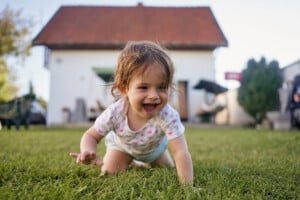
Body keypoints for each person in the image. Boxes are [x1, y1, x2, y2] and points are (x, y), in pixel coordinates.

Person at [70, 41, 193, 185]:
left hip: (154, 151)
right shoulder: (115, 112)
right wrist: (87, 150)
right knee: (108, 173)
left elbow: (180, 152)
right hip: (122, 149)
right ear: (124, 89)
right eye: (143, 87)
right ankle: (131, 161)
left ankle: (142, 163)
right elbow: (91, 135)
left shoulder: (168, 115)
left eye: (162, 87)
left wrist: (187, 187)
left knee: (167, 169)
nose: (154, 95)